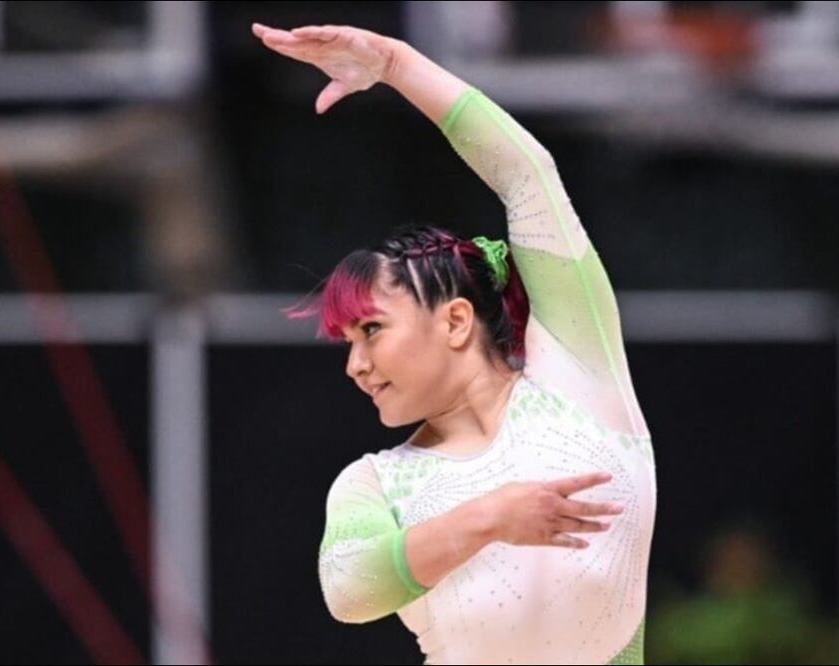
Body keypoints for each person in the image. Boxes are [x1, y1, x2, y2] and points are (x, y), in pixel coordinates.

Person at [253, 22, 657, 664]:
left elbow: (528, 177)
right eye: (347, 343)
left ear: (456, 320)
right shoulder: (376, 484)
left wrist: (394, 63)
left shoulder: (582, 376)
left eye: (372, 330)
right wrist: (491, 517)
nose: (356, 365)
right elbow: (349, 589)